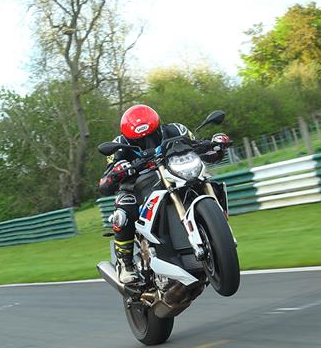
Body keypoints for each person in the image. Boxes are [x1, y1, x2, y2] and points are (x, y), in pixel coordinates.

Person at [98, 104, 232, 283]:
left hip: (174, 173)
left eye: (151, 136)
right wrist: (119, 170)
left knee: (211, 183)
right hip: (137, 186)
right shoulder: (118, 145)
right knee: (123, 210)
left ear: (158, 127)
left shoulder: (176, 130)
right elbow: (105, 183)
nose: (147, 141)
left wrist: (216, 145)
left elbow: (197, 145)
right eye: (140, 140)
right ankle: (125, 264)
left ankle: (215, 235)